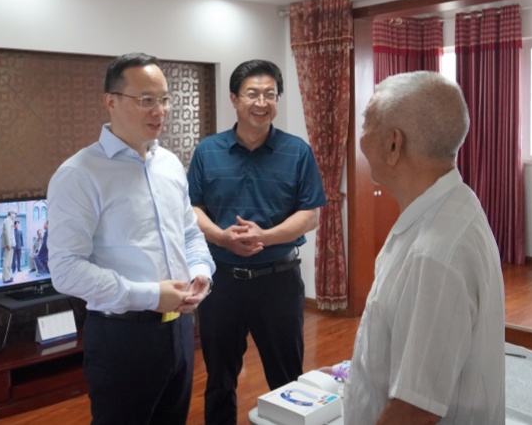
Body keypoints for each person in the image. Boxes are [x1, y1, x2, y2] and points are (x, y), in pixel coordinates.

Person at [48, 52, 215, 425]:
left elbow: (189, 233)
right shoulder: (79, 174)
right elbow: (65, 269)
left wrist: (201, 272)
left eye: (165, 99)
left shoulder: (170, 163)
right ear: (111, 101)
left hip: (180, 328)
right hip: (121, 336)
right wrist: (151, 295)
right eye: (146, 100)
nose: (160, 110)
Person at [344, 71, 505, 424]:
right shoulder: (453, 203)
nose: (360, 135)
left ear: (393, 145)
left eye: (366, 122)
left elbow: (415, 410)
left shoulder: (434, 255)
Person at [187, 59, 326, 425]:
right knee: (219, 379)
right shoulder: (207, 151)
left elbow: (309, 214)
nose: (261, 102)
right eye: (252, 94)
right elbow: (192, 208)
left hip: (278, 280)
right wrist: (221, 237)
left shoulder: (297, 151)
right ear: (234, 98)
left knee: (287, 378)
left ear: (277, 99)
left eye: (269, 94)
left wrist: (264, 236)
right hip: (221, 282)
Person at [1, 210, 16, 283]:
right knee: (7, 262)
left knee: (9, 262)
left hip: (10, 245)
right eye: (14, 213)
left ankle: (7, 277)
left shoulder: (9, 221)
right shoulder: (8, 221)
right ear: (10, 213)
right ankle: (6, 278)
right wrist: (9, 244)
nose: (15, 215)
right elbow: (7, 233)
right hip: (8, 245)